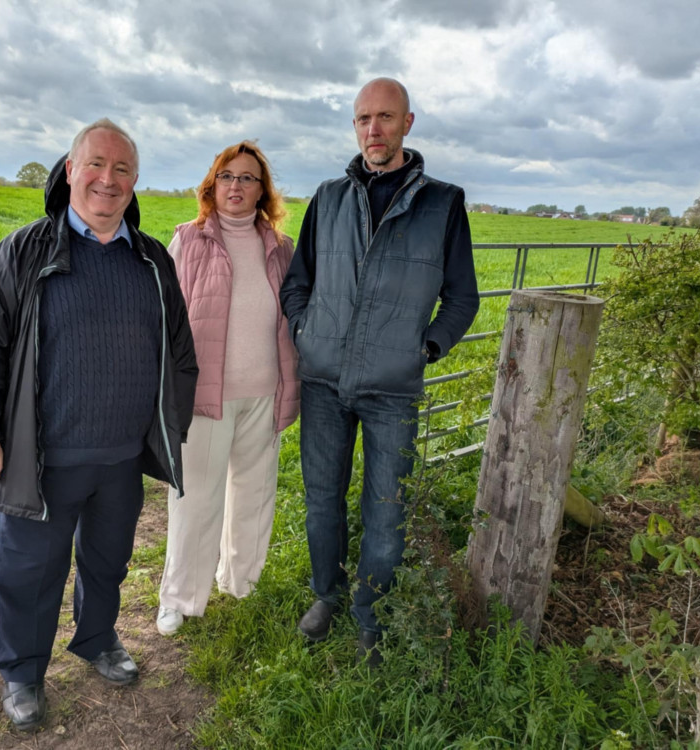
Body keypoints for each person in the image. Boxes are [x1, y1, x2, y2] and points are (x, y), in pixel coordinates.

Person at [0, 119, 197, 731]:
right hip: (43, 454)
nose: (107, 180)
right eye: (95, 165)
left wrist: (168, 424)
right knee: (30, 572)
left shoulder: (151, 259)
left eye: (122, 170)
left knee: (108, 561)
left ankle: (98, 638)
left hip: (119, 455)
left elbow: (181, 353)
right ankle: (23, 672)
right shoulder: (25, 251)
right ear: (69, 169)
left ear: (135, 183)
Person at [279, 78, 479, 666]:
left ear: (408, 123)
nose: (373, 130)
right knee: (322, 501)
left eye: (385, 118)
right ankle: (327, 594)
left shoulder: (442, 202)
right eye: (363, 118)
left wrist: (427, 348)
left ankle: (370, 613)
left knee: (386, 510)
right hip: (322, 381)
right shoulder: (329, 197)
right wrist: (303, 330)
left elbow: (462, 297)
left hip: (393, 388)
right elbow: (298, 283)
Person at [155, 142, 300, 636]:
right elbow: (165, 319)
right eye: (227, 176)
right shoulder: (188, 240)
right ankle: (180, 597)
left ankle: (241, 582)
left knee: (254, 494)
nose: (235, 186)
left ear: (262, 191)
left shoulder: (282, 248)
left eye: (247, 178)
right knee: (195, 498)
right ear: (211, 185)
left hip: (266, 391)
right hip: (205, 395)